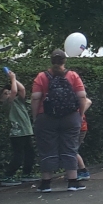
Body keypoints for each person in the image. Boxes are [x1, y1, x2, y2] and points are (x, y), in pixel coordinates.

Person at [32, 49, 88, 191]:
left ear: (51, 61)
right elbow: (82, 96)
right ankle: (73, 181)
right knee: (70, 147)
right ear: (64, 61)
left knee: (47, 148)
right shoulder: (73, 75)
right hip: (70, 116)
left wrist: (36, 116)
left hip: (46, 117)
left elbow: (35, 97)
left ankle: (46, 183)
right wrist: (80, 114)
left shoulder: (41, 76)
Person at [0, 67, 35, 184]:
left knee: (30, 153)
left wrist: (13, 78)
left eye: (8, 91)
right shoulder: (7, 104)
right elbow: (14, 91)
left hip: (26, 131)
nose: (9, 93)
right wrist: (12, 79)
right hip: (17, 133)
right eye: (5, 93)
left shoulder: (18, 101)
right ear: (1, 99)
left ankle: (26, 173)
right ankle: (7, 176)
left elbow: (21, 89)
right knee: (18, 156)